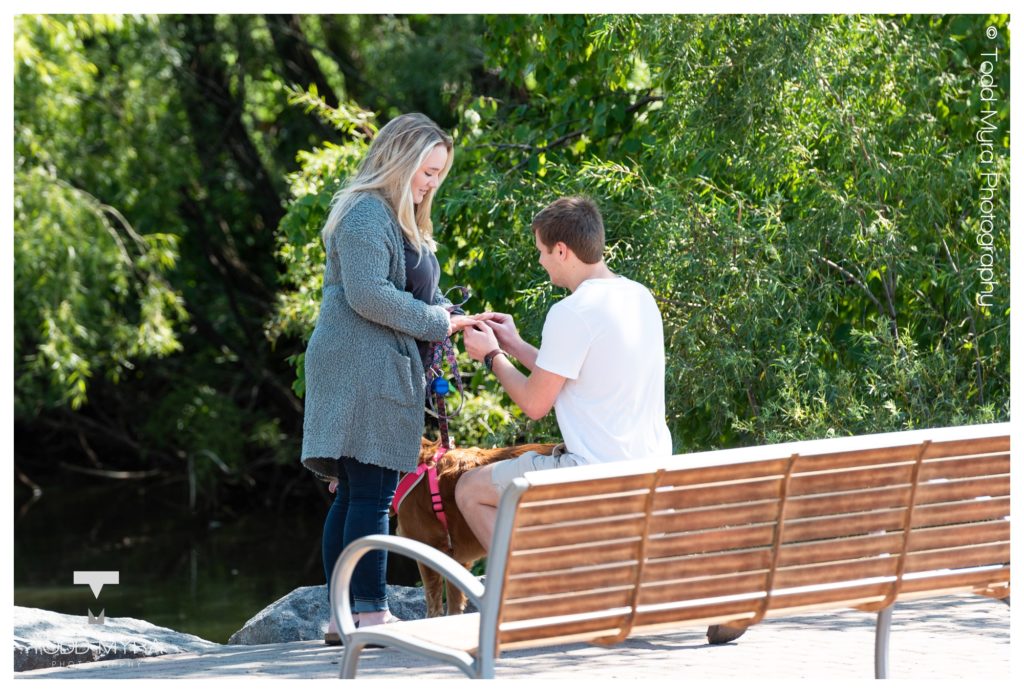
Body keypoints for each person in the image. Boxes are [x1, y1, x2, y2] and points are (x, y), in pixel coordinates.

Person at [300, 113, 476, 644]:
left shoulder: (397, 218)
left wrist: (459, 317)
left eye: (439, 174)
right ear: (399, 161)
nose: (432, 184)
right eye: (428, 171)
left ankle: (343, 616)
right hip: (360, 369)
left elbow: (415, 294)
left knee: (356, 493)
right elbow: (369, 295)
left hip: (375, 367)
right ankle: (370, 612)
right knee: (372, 494)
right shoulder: (364, 215)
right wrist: (439, 322)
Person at [457, 196, 673, 550]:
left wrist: (491, 355)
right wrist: (514, 345)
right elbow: (574, 375)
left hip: (592, 479)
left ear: (561, 250)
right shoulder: (639, 296)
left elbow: (534, 403)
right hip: (649, 474)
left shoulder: (572, 311)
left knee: (469, 490)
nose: (540, 261)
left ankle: (526, 583)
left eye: (541, 251)